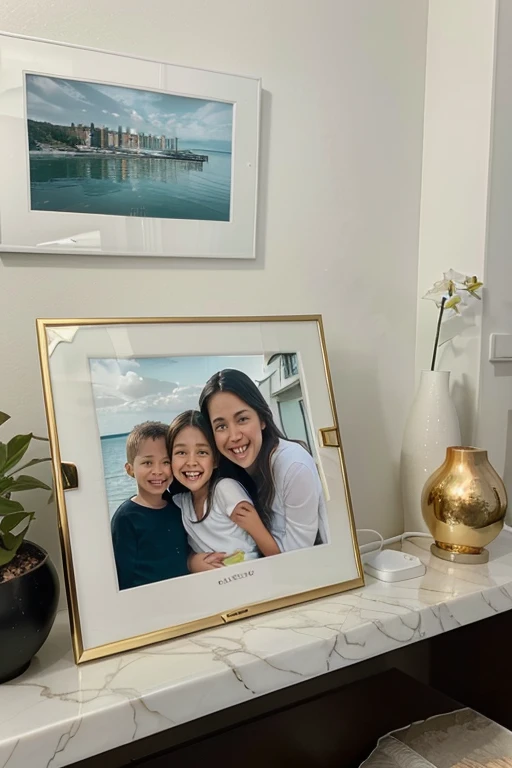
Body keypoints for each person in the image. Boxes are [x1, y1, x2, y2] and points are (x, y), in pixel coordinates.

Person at [199, 369, 329, 552]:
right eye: (221, 426)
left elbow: (297, 555)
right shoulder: (228, 473)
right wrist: (193, 560)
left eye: (242, 419)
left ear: (262, 419)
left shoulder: (293, 467)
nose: (234, 436)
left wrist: (255, 527)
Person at [167, 410, 280, 568]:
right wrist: (192, 562)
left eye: (202, 452)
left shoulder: (225, 490)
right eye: (181, 452)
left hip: (250, 575)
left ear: (215, 460)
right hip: (218, 585)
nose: (191, 461)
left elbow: (272, 551)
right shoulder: (181, 502)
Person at [111, 421, 189, 590]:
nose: (158, 471)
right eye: (147, 463)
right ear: (130, 469)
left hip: (185, 594)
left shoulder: (178, 505)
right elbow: (122, 577)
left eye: (166, 462)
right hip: (149, 603)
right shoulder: (126, 518)